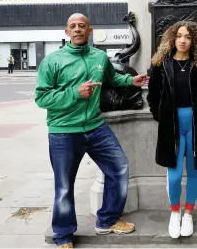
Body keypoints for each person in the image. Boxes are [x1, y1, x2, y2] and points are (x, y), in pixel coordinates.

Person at [35, 13, 149, 249]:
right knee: (64, 186)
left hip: (96, 127)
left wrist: (131, 81)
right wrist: (75, 93)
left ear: (90, 31)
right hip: (64, 132)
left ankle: (107, 220)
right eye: (73, 26)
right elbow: (42, 97)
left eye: (82, 26)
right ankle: (64, 235)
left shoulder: (99, 56)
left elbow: (111, 78)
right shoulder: (53, 61)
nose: (77, 29)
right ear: (67, 32)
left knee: (119, 168)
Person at [147, 21, 197, 239]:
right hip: (172, 124)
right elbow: (153, 96)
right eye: (179, 36)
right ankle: (175, 212)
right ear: (172, 39)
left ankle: (188, 213)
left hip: (196, 125)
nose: (183, 40)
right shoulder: (161, 65)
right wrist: (162, 117)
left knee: (194, 169)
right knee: (175, 175)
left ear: (194, 40)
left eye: (188, 36)